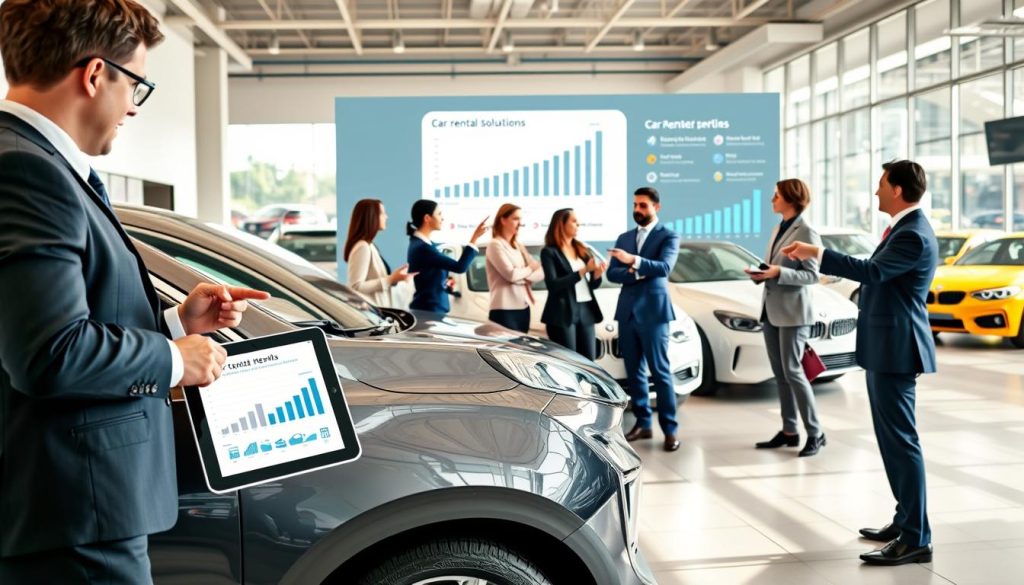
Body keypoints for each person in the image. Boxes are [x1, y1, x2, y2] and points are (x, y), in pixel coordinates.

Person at [0, 1, 269, 582]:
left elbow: (54, 322)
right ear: (95, 74)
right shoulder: (28, 170)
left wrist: (176, 324)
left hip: (78, 512)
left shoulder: (40, 163)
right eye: (135, 85)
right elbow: (49, 353)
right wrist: (175, 359)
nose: (133, 107)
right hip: (78, 515)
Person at [782, 160, 937, 566]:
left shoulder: (912, 234)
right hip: (887, 347)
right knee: (891, 440)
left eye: (882, 183)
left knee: (901, 441)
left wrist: (817, 252)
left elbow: (872, 272)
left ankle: (916, 537)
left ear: (898, 190)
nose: (876, 191)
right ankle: (905, 520)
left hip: (897, 349)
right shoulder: (903, 229)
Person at [747, 179, 826, 457]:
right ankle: (790, 430)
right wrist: (763, 274)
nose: (772, 200)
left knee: (794, 372)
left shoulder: (806, 231)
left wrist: (778, 273)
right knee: (781, 374)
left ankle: (816, 433)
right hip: (771, 310)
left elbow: (812, 275)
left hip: (794, 313)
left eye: (777, 195)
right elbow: (775, 268)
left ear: (791, 199)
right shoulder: (778, 228)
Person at [608, 187, 681, 452]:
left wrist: (634, 262)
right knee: (635, 372)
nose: (637, 210)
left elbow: (664, 267)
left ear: (656, 207)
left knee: (660, 372)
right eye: (635, 205)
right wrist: (636, 272)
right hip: (627, 312)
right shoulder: (624, 237)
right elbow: (612, 274)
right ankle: (643, 423)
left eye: (643, 205)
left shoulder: (668, 236)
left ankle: (670, 430)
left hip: (654, 313)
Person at [539, 208, 605, 359]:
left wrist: (596, 275)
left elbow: (592, 285)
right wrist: (583, 271)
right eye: (574, 221)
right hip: (563, 312)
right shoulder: (549, 252)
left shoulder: (582, 248)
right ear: (561, 224)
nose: (578, 225)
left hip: (586, 309)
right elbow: (553, 285)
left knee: (589, 360)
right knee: (570, 361)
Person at [406, 199, 488, 314]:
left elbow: (428, 274)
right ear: (427, 218)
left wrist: (444, 282)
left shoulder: (420, 243)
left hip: (429, 308)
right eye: (439, 214)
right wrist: (475, 237)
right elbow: (460, 267)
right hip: (430, 309)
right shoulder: (423, 248)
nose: (442, 218)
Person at [343, 198, 412, 307]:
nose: (386, 217)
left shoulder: (370, 245)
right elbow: (355, 287)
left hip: (378, 309)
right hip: (370, 311)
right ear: (371, 217)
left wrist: (395, 278)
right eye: (382, 213)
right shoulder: (363, 247)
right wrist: (390, 279)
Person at [486, 204, 544, 333]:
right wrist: (530, 269)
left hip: (523, 307)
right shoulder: (495, 245)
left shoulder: (518, 246)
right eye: (516, 219)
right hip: (503, 310)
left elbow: (540, 273)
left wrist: (521, 276)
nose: (520, 224)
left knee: (522, 345)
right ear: (503, 220)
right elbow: (511, 275)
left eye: (520, 219)